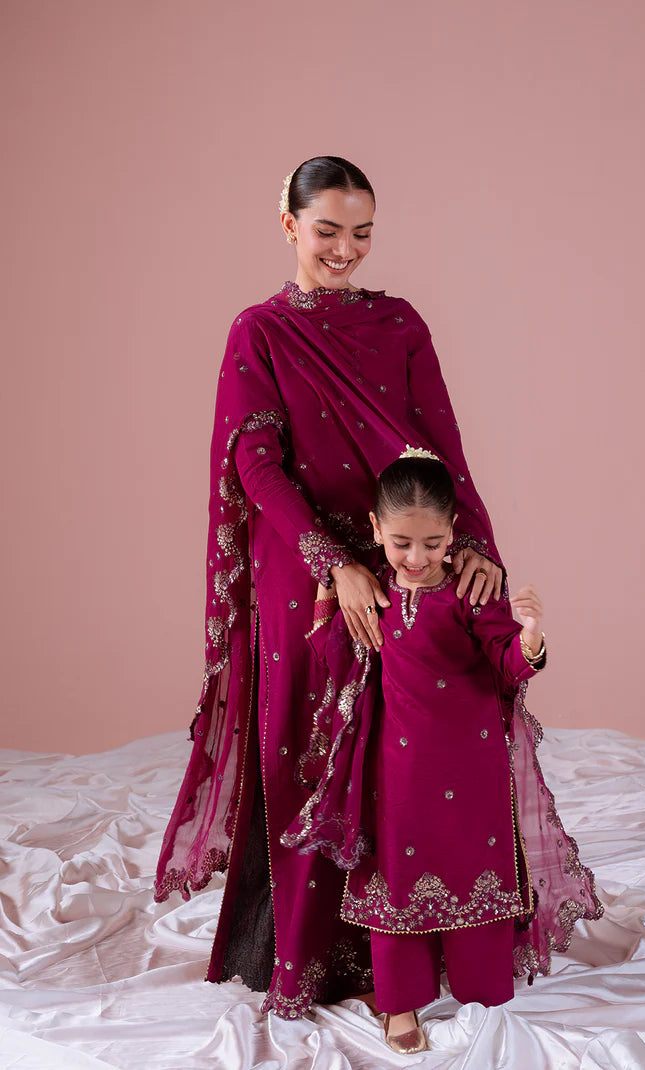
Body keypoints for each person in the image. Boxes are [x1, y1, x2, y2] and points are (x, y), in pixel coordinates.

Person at [153, 156, 508, 1018]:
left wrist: (472, 544)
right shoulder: (260, 331)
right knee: (306, 748)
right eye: (327, 231)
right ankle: (311, 952)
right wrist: (330, 561)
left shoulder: (398, 323)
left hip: (402, 549)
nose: (344, 249)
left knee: (414, 747)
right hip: (304, 566)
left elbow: (440, 445)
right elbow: (255, 463)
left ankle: (424, 940)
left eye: (361, 232)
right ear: (289, 225)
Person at [282, 452, 603, 1053]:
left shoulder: (470, 593)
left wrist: (531, 638)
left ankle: (480, 985)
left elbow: (507, 661)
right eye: (401, 542)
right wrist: (329, 594)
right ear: (376, 529)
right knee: (397, 872)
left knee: (475, 867)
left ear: (453, 530)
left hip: (474, 766)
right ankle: (399, 1003)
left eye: (432, 543)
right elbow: (335, 656)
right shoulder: (373, 595)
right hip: (396, 769)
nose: (417, 557)